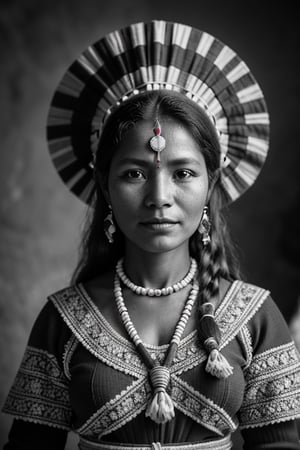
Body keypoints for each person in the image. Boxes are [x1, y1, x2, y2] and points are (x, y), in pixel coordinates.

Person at [2, 19, 300, 450]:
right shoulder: (64, 321)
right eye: (135, 173)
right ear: (105, 185)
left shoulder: (257, 318)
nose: (159, 197)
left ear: (210, 184)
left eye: (183, 172)